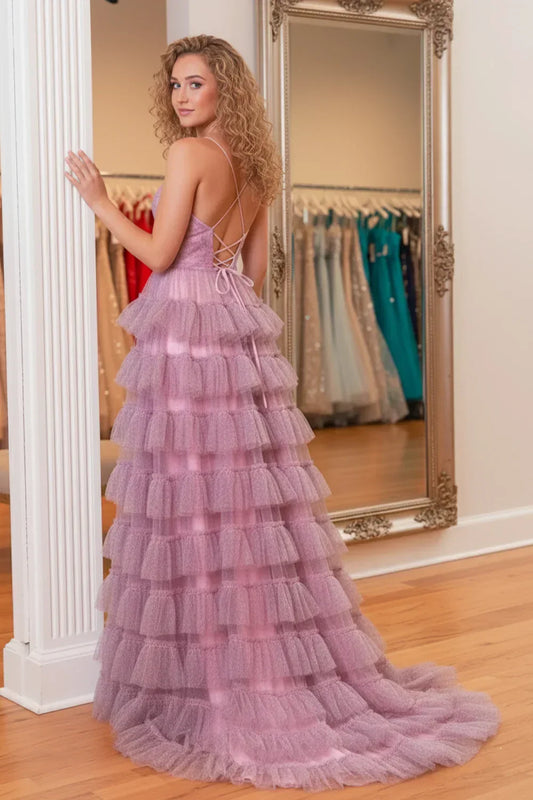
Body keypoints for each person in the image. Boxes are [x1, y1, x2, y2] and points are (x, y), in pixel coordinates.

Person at [65, 34, 501, 792]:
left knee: (193, 504)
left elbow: (162, 255)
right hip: (232, 324)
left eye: (194, 84)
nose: (180, 98)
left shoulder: (189, 156)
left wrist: (102, 202)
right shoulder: (257, 169)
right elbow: (256, 270)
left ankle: (215, 680)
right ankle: (262, 664)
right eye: (174, 85)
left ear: (221, 89)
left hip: (186, 334)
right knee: (244, 504)